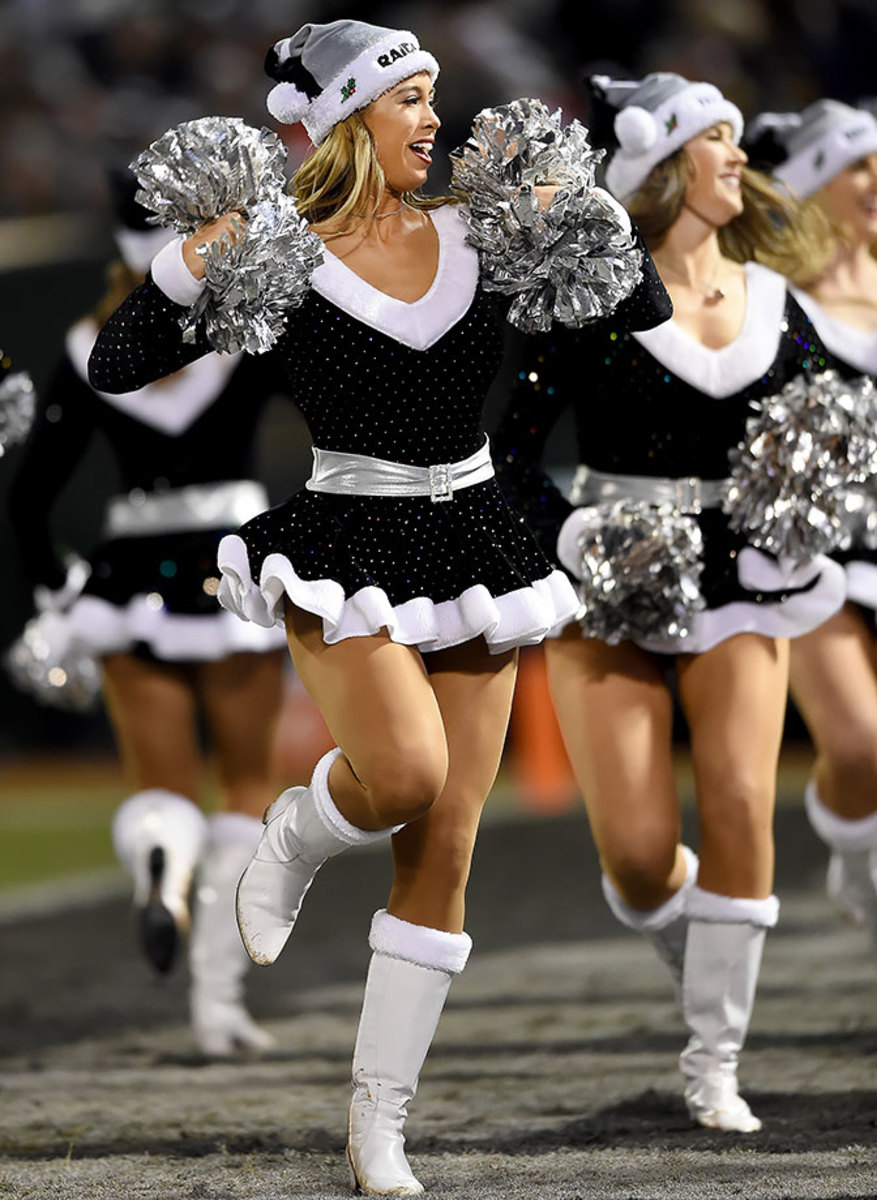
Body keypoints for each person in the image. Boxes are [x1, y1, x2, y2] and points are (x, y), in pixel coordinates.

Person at [85, 18, 662, 1194]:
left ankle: (377, 1122)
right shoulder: (282, 247)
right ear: (349, 116)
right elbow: (115, 364)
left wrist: (583, 213)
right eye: (410, 100)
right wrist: (194, 256)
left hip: (476, 535)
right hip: (346, 535)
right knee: (399, 777)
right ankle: (296, 835)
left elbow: (639, 312)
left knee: (445, 844)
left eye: (433, 96)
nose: (434, 119)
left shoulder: (478, 229)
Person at [493, 72, 848, 1134]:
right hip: (609, 571)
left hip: (742, 575)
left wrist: (816, 490)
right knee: (640, 859)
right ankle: (694, 946)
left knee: (742, 797)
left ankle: (715, 1057)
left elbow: (830, 436)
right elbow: (507, 452)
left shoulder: (782, 308)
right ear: (661, 163)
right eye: (718, 139)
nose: (738, 157)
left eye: (741, 138)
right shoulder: (583, 295)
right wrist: (563, 539)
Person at [7, 172, 288, 1058]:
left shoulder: (90, 343)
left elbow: (30, 499)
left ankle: (161, 871)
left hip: (127, 578)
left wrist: (58, 592)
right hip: (232, 569)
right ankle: (217, 1003)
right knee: (245, 787)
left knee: (160, 786)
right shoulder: (248, 327)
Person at [745, 101, 877, 944]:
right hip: (812, 546)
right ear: (807, 185)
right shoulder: (769, 297)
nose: (873, 184)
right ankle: (856, 857)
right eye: (854, 167)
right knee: (861, 746)